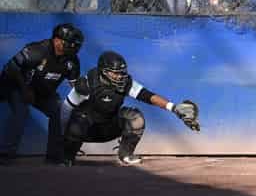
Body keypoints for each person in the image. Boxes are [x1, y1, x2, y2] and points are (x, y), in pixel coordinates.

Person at [62, 51, 200, 166]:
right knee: (79, 118)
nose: (120, 77)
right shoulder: (86, 85)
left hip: (109, 128)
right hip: (86, 130)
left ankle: (125, 155)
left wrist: (173, 108)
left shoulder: (126, 83)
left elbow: (148, 96)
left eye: (122, 73)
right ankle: (68, 156)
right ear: (103, 72)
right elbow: (66, 109)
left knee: (135, 117)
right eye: (115, 73)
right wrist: (63, 135)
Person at [0, 23, 84, 165]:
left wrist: (83, 100)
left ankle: (53, 156)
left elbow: (75, 85)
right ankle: (5, 154)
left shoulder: (72, 60)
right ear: (57, 40)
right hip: (17, 86)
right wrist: (25, 89)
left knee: (58, 111)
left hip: (43, 92)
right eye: (70, 44)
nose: (74, 48)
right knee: (21, 112)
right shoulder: (38, 50)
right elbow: (11, 68)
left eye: (76, 45)